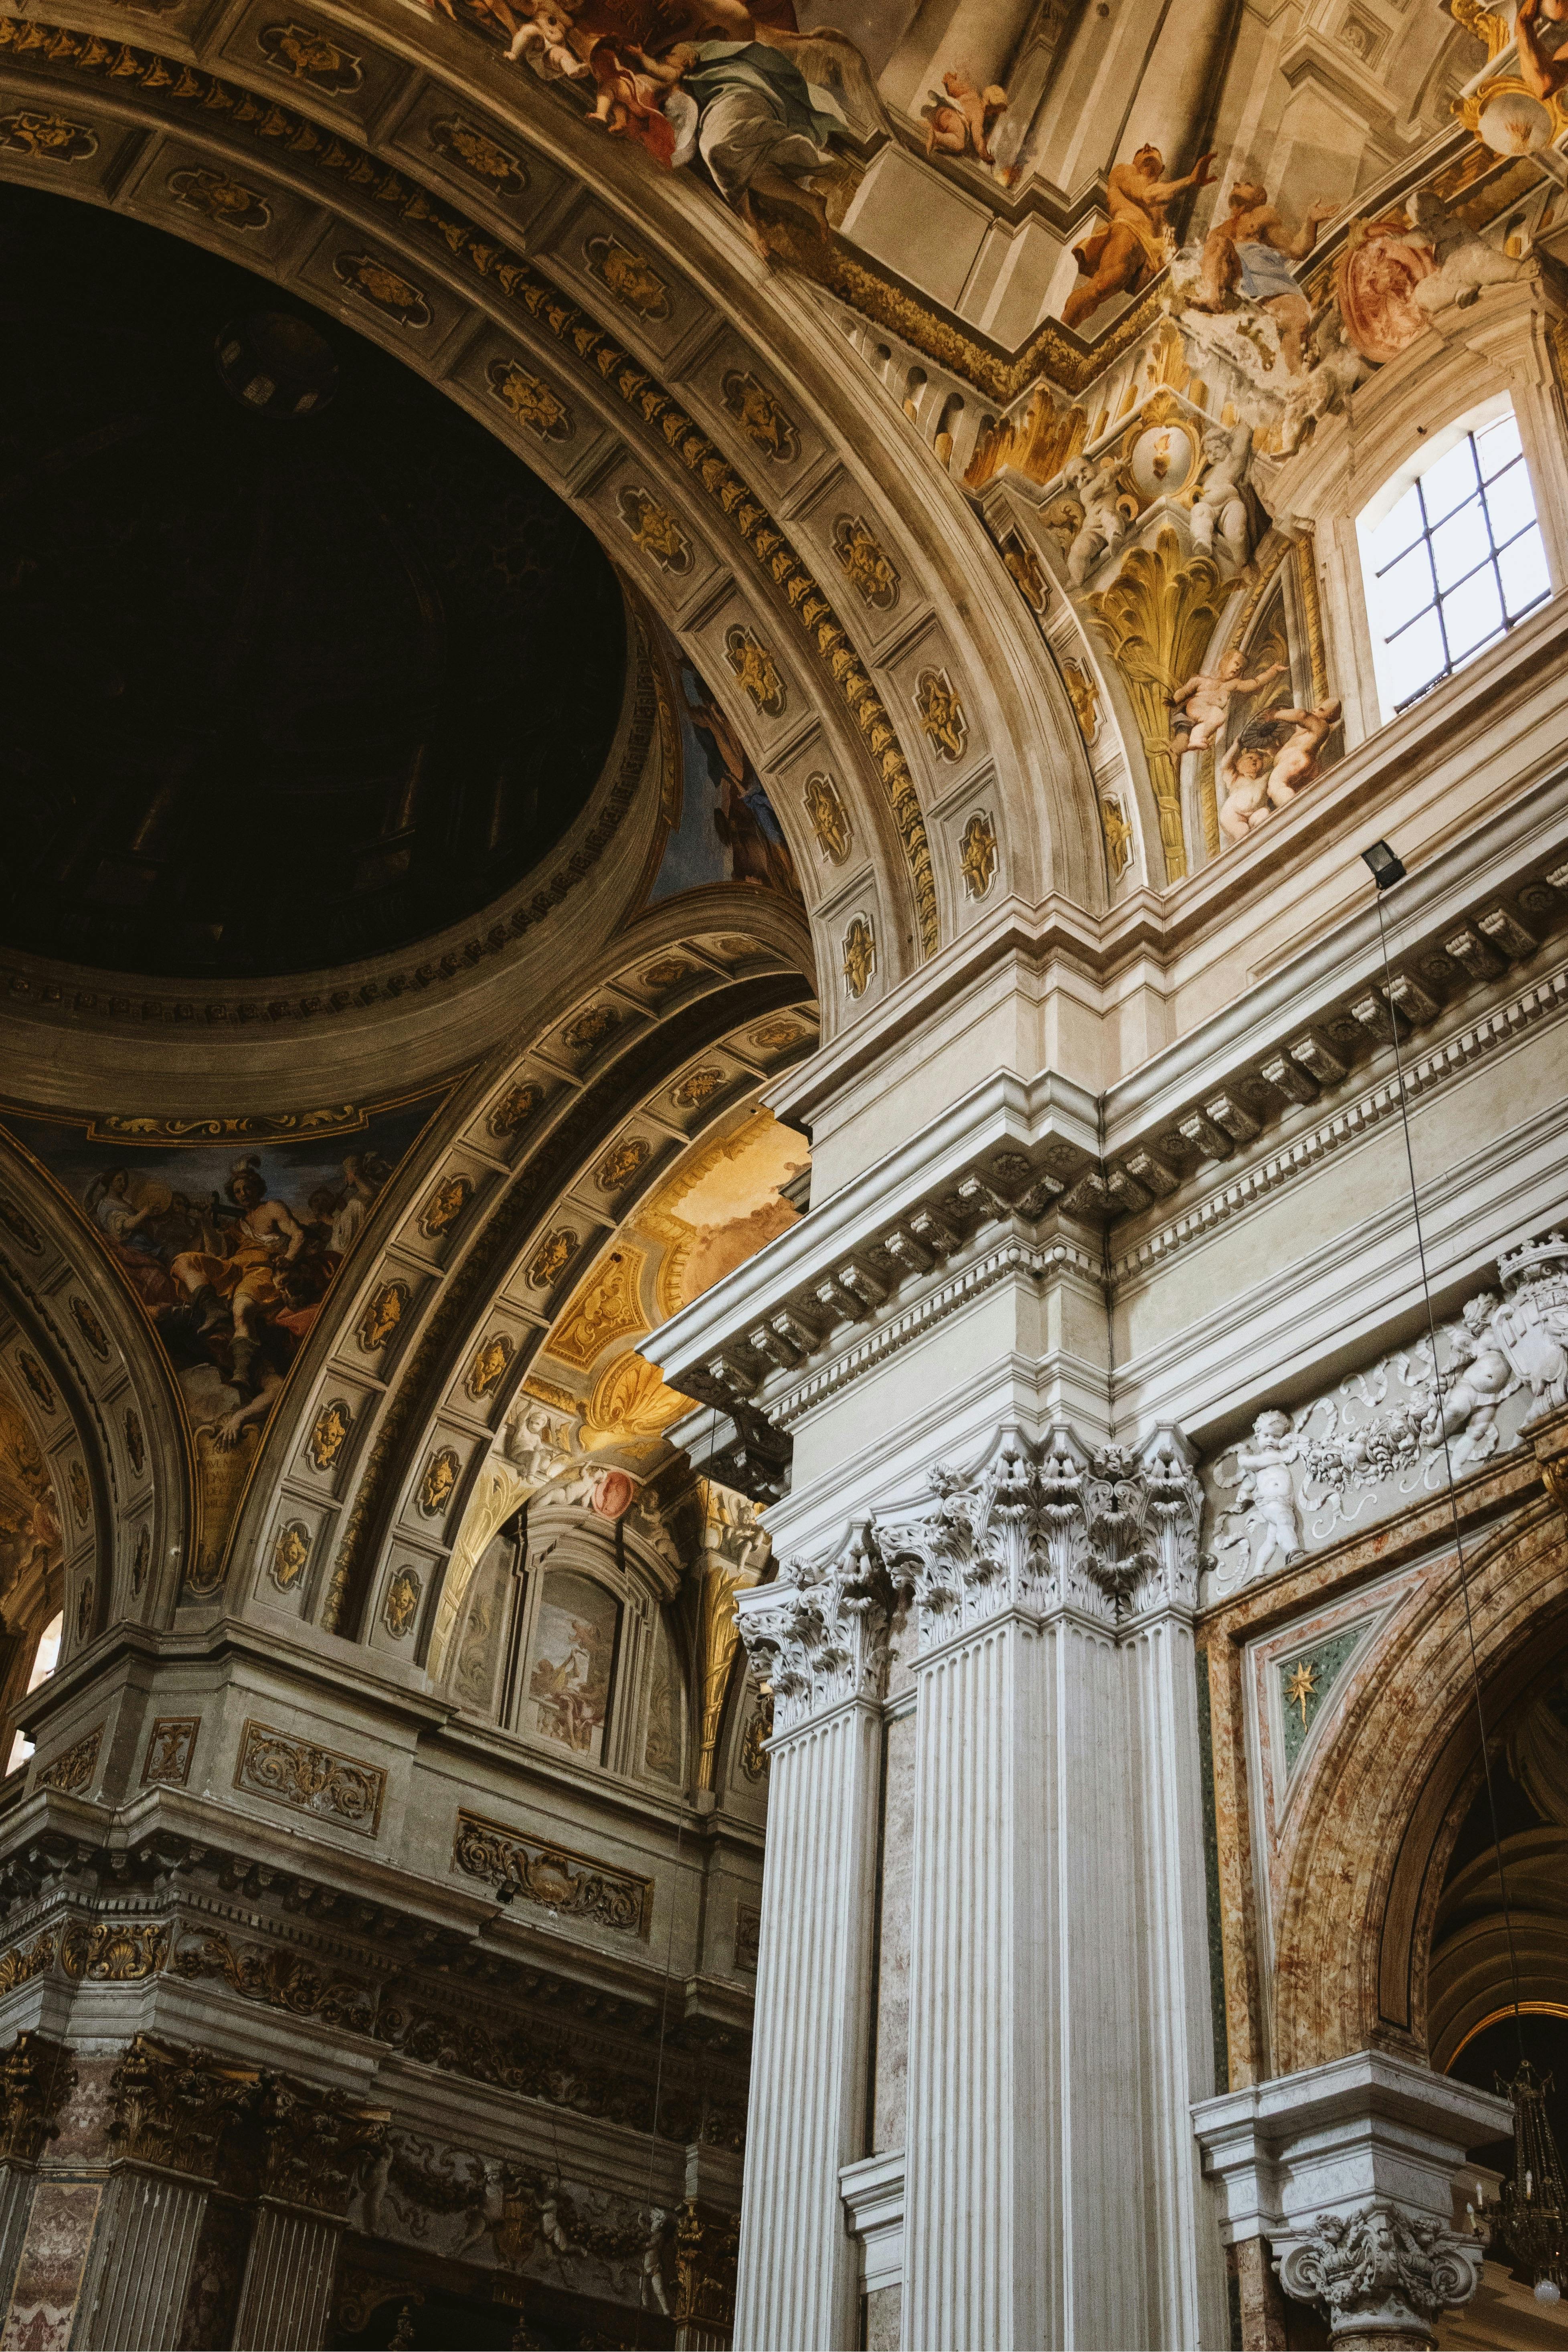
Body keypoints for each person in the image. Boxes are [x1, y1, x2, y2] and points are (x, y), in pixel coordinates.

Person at [1189, 178, 1338, 370]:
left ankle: (1294, 379)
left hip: (1263, 284)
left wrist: (1311, 220)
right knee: (1219, 243)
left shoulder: (1260, 217)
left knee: (1298, 323)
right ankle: (1212, 298)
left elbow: (1298, 248)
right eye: (1238, 183)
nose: (1237, 183)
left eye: (1247, 184)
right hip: (1233, 281)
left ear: (1259, 197)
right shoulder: (1219, 233)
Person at [1063, 143, 1215, 332]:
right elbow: (1149, 195)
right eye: (1139, 151)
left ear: (1163, 169)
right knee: (1100, 287)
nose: (1147, 147)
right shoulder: (1125, 172)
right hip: (1129, 232)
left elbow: (1170, 249)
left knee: (1170, 301)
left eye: (1155, 151)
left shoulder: (1161, 215)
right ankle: (1060, 332)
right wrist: (1191, 180)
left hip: (1148, 255)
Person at [1169, 647, 1286, 757]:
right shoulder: (1202, 681)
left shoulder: (1233, 684)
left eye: (1241, 669)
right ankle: (1196, 737)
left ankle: (1184, 744)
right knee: (1218, 716)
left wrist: (1273, 671)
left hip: (1203, 717)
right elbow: (1185, 690)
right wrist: (1175, 700)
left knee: (1181, 745)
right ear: (1226, 661)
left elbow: (1256, 683)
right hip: (1196, 708)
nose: (1237, 669)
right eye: (1236, 664)